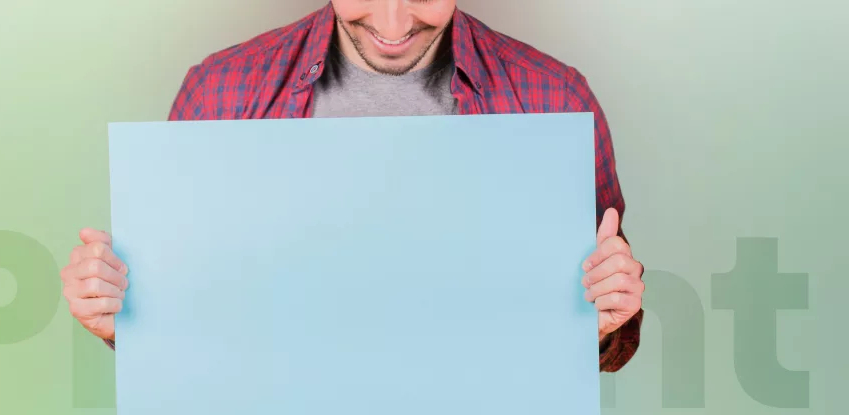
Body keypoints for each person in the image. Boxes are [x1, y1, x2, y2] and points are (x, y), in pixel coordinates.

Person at [61, 0, 644, 372]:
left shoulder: (553, 100)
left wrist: (602, 320)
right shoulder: (221, 93)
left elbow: (610, 343)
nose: (393, 24)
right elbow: (185, 331)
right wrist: (121, 315)